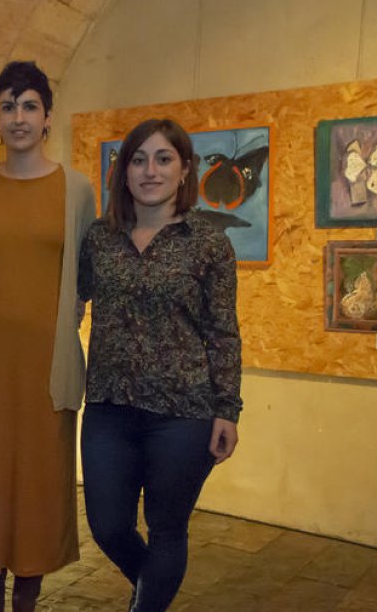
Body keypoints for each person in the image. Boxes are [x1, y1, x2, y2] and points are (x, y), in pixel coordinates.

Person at [77, 118, 242, 612]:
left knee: (168, 528)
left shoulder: (209, 242)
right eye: (138, 159)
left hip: (184, 414)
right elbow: (68, 301)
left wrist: (228, 409)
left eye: (163, 158)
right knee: (108, 526)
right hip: (109, 407)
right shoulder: (99, 239)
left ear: (184, 169)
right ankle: (152, 588)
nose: (150, 170)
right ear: (123, 171)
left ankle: (145, 603)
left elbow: (222, 331)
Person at [0, 61, 96, 611]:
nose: (18, 117)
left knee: (38, 491)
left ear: (47, 117)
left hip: (46, 370)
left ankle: (26, 604)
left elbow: (85, 277)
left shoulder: (76, 189)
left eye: (29, 105)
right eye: (8, 105)